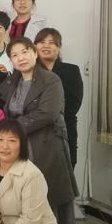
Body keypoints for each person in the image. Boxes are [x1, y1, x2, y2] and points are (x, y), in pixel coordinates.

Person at [0, 37, 79, 224]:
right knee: (23, 194)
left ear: (34, 53)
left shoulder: (51, 80)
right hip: (19, 144)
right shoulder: (12, 82)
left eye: (24, 52)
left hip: (46, 142)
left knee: (49, 193)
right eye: (14, 55)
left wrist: (13, 128)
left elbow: (47, 114)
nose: (20, 58)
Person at [35, 29, 84, 168]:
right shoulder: (28, 71)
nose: (46, 46)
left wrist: (48, 115)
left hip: (64, 129)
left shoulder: (71, 71)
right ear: (35, 46)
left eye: (52, 42)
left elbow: (73, 104)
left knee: (64, 171)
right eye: (41, 42)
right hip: (35, 131)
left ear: (59, 47)